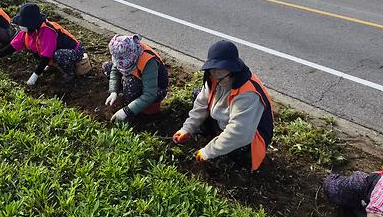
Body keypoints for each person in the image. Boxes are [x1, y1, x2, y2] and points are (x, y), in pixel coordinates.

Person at [173, 40, 273, 169]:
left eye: (220, 76)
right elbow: (201, 104)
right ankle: (213, 136)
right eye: (212, 72)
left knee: (228, 162)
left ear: (233, 70)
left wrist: (208, 151)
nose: (216, 79)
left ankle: (230, 155)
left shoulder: (248, 94)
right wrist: (187, 129)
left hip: (249, 140)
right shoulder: (216, 77)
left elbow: (240, 134)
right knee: (197, 93)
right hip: (225, 124)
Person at [0, 3, 84, 86]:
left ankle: (69, 72)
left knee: (60, 55)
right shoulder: (27, 32)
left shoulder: (47, 31)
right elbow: (13, 46)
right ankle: (52, 65)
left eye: (23, 24)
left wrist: (35, 75)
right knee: (34, 49)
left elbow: (46, 56)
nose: (21, 26)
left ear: (31, 24)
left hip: (74, 50)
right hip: (53, 52)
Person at [103, 34, 169, 122]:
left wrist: (127, 111)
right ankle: (127, 95)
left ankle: (132, 105)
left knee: (130, 83)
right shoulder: (122, 52)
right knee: (107, 67)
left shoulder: (149, 62)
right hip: (138, 79)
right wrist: (113, 91)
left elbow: (149, 95)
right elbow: (115, 69)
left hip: (156, 89)